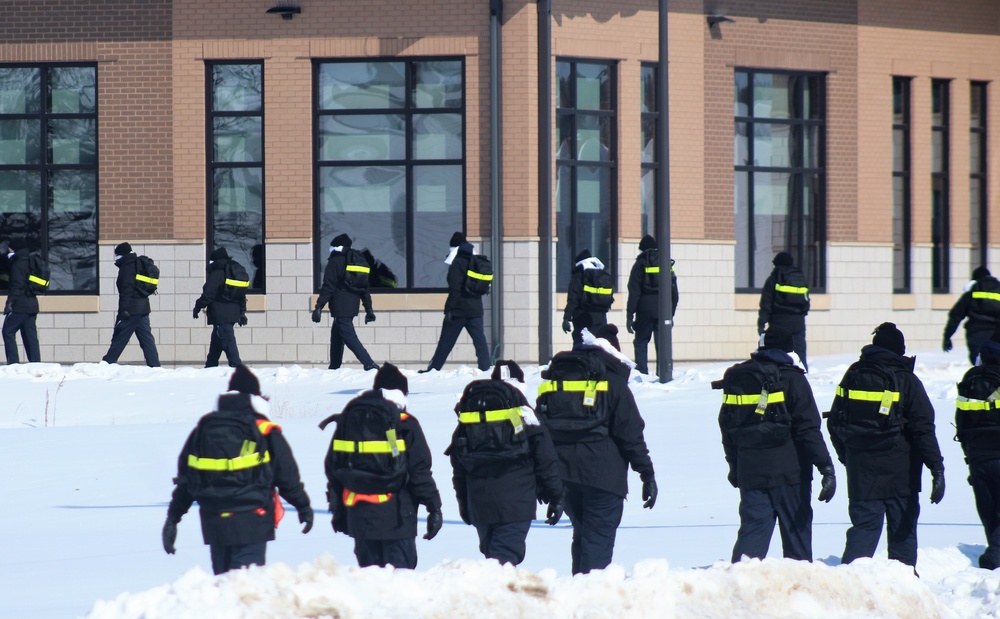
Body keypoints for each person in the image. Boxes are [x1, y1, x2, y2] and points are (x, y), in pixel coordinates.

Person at [161, 365, 314, 575]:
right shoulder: (263, 428)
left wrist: (173, 518)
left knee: (224, 588)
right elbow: (286, 475)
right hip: (253, 519)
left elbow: (188, 479)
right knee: (246, 590)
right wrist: (303, 506)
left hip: (214, 520)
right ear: (257, 398)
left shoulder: (204, 428)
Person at [536, 324, 657, 574]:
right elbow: (631, 434)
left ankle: (579, 594)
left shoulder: (555, 382)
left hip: (564, 476)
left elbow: (539, 432)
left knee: (582, 536)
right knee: (598, 540)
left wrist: (543, 478)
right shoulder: (613, 383)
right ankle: (592, 600)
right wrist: (646, 473)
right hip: (603, 478)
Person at [827, 322, 945, 569]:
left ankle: (851, 584)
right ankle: (902, 586)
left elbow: (835, 421)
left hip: (862, 471)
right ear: (899, 350)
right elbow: (923, 429)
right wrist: (936, 467)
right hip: (901, 472)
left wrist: (848, 456)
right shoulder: (907, 380)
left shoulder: (853, 374)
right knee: (902, 531)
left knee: (864, 528)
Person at [715, 325, 835, 563]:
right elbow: (808, 430)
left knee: (752, 536)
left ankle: (739, 587)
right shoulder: (793, 379)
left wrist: (734, 465)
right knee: (796, 541)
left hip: (751, 473)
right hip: (791, 475)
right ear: (789, 350)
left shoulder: (740, 378)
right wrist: (826, 467)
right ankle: (799, 592)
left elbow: (727, 426)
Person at [322, 362, 443, 569]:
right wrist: (434, 508)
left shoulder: (351, 420)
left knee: (371, 587)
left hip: (360, 518)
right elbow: (419, 472)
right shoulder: (405, 423)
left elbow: (334, 469)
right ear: (402, 395)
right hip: (397, 519)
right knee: (399, 585)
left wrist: (338, 511)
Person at [447, 360, 564, 565]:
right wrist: (555, 496)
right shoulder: (525, 415)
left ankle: (492, 594)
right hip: (516, 503)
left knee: (493, 557)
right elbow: (545, 459)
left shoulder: (471, 416)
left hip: (480, 503)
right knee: (503, 561)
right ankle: (497, 596)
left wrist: (465, 504)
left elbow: (459, 465)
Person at [953, 328, 1000, 569]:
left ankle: (994, 551)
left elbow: (961, 420)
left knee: (988, 509)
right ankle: (994, 555)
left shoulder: (970, 380)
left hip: (978, 457)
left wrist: (969, 454)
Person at [422, 232, 491, 373]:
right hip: (476, 309)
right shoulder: (475, 260)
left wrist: (449, 309)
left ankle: (434, 369)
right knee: (480, 341)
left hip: (458, 310)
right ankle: (485, 369)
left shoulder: (457, 263)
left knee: (446, 342)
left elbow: (455, 289)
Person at [311, 234, 378, 371]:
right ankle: (334, 366)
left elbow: (328, 286)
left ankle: (368, 363)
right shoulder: (356, 261)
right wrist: (368, 309)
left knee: (348, 336)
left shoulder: (335, 262)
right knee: (336, 336)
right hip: (352, 305)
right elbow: (364, 288)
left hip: (340, 305)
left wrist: (319, 307)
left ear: (336, 247)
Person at [626, 235, 678, 375]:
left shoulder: (640, 264)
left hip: (644, 308)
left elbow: (634, 292)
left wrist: (630, 315)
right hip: (663, 307)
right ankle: (662, 372)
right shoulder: (666, 262)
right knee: (662, 342)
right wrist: (671, 313)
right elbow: (674, 291)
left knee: (641, 341)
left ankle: (642, 373)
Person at [101, 242, 160, 367]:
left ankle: (107, 363)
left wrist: (124, 310)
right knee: (146, 340)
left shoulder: (127, 267)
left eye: (116, 255)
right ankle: (155, 366)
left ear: (121, 255)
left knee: (120, 337)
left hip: (131, 309)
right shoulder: (136, 264)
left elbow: (126, 290)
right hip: (143, 308)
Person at [757, 251, 810, 372]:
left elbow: (766, 303)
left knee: (778, 350)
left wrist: (762, 323)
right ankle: (801, 374)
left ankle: (779, 374)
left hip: (779, 320)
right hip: (798, 322)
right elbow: (806, 302)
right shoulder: (800, 278)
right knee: (799, 350)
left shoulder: (773, 278)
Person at [193, 247, 245, 368]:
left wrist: (198, 306)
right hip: (231, 314)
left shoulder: (218, 273)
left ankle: (237, 369)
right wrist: (242, 312)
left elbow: (208, 294)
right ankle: (210, 367)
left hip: (220, 314)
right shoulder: (232, 272)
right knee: (216, 343)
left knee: (229, 343)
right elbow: (241, 296)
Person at [943, 266, 1000, 365]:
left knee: (979, 366)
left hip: (975, 334)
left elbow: (955, 316)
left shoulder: (971, 293)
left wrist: (947, 337)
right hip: (997, 335)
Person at [562, 249, 613, 347]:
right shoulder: (602, 275)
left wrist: (566, 317)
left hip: (583, 316)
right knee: (600, 345)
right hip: (601, 317)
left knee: (580, 345)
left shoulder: (579, 275)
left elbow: (573, 299)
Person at [2, 238, 41, 364]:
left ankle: (13, 363)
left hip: (20, 305)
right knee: (30, 336)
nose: (8, 250)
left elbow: (16, 287)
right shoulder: (29, 261)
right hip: (32, 304)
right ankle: (35, 363)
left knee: (8, 331)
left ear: (14, 249)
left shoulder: (17, 265)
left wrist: (9, 304)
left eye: (10, 248)